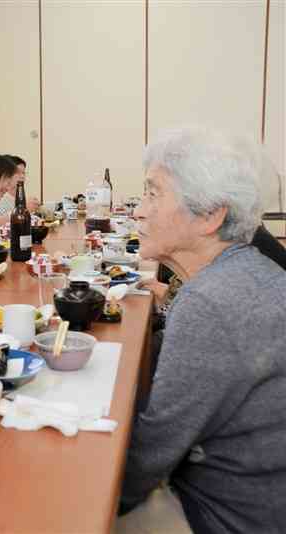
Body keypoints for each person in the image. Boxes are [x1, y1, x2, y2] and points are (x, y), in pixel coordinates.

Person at [118, 127, 286, 533]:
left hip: (227, 515)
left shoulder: (211, 301)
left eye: (153, 193)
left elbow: (148, 458)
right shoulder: (250, 271)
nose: (138, 211)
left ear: (211, 215)